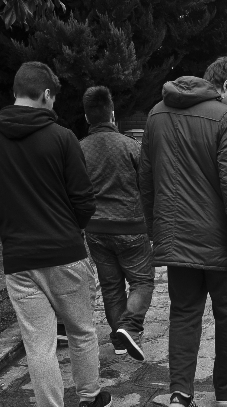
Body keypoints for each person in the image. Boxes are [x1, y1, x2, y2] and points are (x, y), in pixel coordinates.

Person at [0, 61, 111, 407]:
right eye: (54, 98)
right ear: (46, 94)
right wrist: (70, 230)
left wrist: (8, 239)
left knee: (40, 344)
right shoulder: (62, 138)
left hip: (20, 261)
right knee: (81, 331)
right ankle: (91, 399)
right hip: (66, 252)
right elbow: (84, 202)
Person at [139, 56, 227, 407]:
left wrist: (155, 230)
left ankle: (180, 392)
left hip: (176, 239)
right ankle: (225, 390)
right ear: (226, 87)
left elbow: (145, 180)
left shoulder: (156, 114)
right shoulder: (225, 119)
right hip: (219, 241)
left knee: (184, 313)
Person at [79, 86, 154, 362]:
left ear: (87, 118)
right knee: (142, 281)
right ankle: (129, 326)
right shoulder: (130, 146)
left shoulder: (77, 149)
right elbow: (146, 186)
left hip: (96, 229)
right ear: (112, 113)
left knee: (111, 286)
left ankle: (120, 341)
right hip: (131, 226)